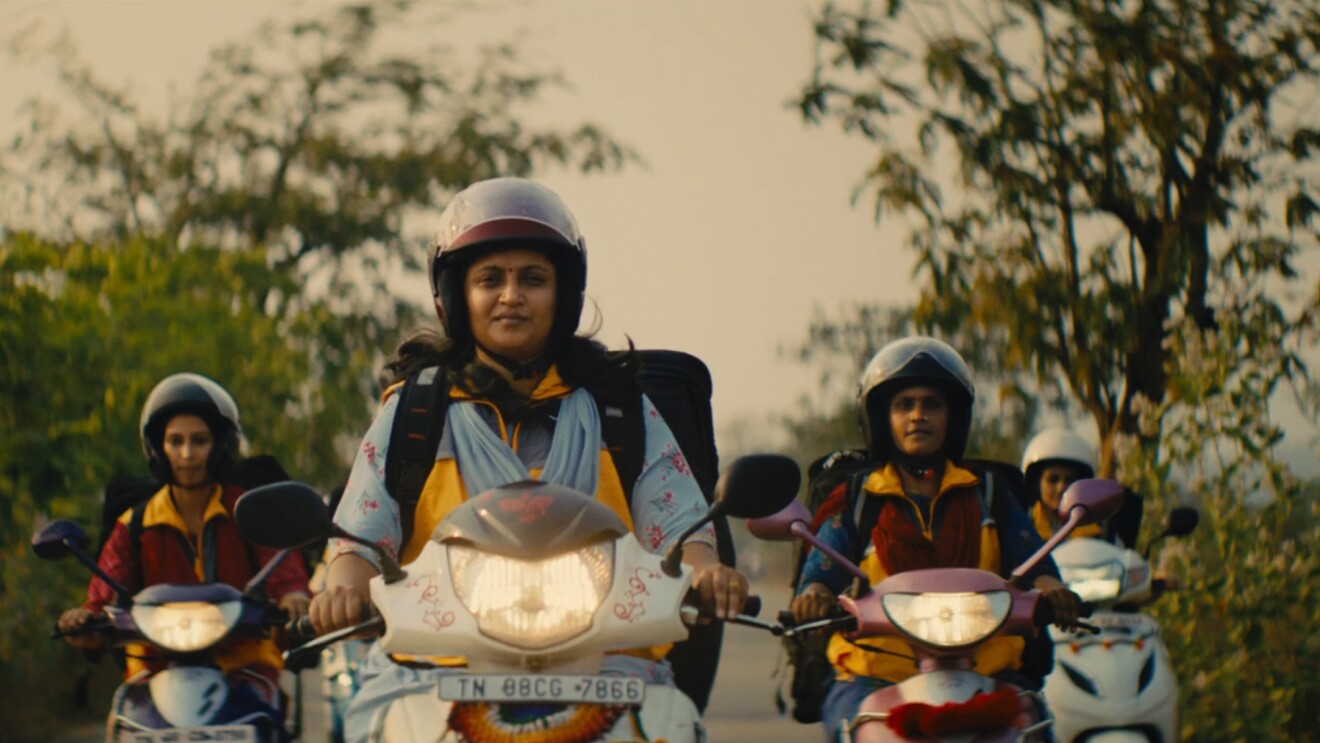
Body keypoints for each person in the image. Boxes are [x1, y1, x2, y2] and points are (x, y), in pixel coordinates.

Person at [310, 176, 749, 743]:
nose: (511, 296)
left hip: (607, 668)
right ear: (457, 296)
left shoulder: (621, 407)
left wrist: (708, 572)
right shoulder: (415, 411)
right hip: (437, 670)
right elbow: (361, 534)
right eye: (490, 279)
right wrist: (344, 587)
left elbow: (681, 524)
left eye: (533, 279)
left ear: (562, 295)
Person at [790, 337, 1083, 742]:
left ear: (954, 417)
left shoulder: (992, 494)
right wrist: (815, 595)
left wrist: (1055, 591)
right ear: (882, 417)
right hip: (876, 675)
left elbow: (1035, 565)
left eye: (932, 404)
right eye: (904, 404)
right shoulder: (858, 500)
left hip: (988, 673)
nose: (918, 415)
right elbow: (824, 565)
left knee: (1033, 731)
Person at [57, 372, 311, 705]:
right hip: (154, 673)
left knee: (270, 715)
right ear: (158, 448)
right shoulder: (133, 524)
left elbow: (285, 572)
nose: (187, 454)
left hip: (244, 667)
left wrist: (293, 595)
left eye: (199, 440)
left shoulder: (248, 510)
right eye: (175, 441)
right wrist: (82, 621)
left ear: (220, 445)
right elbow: (101, 600)